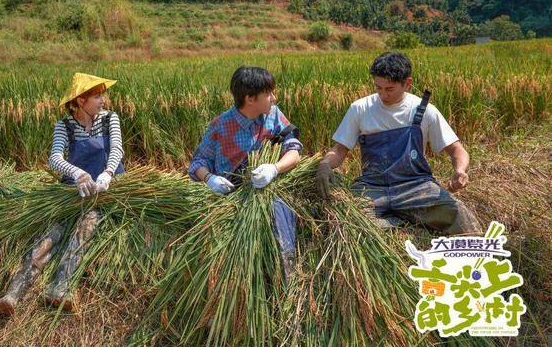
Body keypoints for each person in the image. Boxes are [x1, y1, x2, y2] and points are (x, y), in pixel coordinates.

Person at [0, 73, 124, 316]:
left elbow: (117, 148)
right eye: (97, 96)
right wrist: (77, 173)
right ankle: (13, 293)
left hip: (103, 189)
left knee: (87, 226)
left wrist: (107, 173)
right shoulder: (64, 126)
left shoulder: (109, 119)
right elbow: (54, 158)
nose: (103, 100)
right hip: (73, 190)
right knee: (52, 232)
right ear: (81, 100)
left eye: (102, 95)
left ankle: (60, 287)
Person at [316, 52, 481, 235]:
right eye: (378, 88)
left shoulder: (423, 110)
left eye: (390, 89)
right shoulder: (360, 109)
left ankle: (397, 221)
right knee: (344, 217)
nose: (382, 95)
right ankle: (401, 222)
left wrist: (460, 170)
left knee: (459, 215)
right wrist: (325, 164)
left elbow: (456, 149)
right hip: (372, 188)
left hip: (415, 188)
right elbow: (340, 150)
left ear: (407, 83)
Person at [188, 66, 302, 280]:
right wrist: (210, 178)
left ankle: (287, 275)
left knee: (279, 212)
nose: (274, 98)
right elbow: (197, 163)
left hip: (270, 191)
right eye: (268, 93)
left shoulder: (274, 116)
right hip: (233, 198)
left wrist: (274, 168)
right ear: (250, 98)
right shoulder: (221, 126)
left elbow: (294, 151)